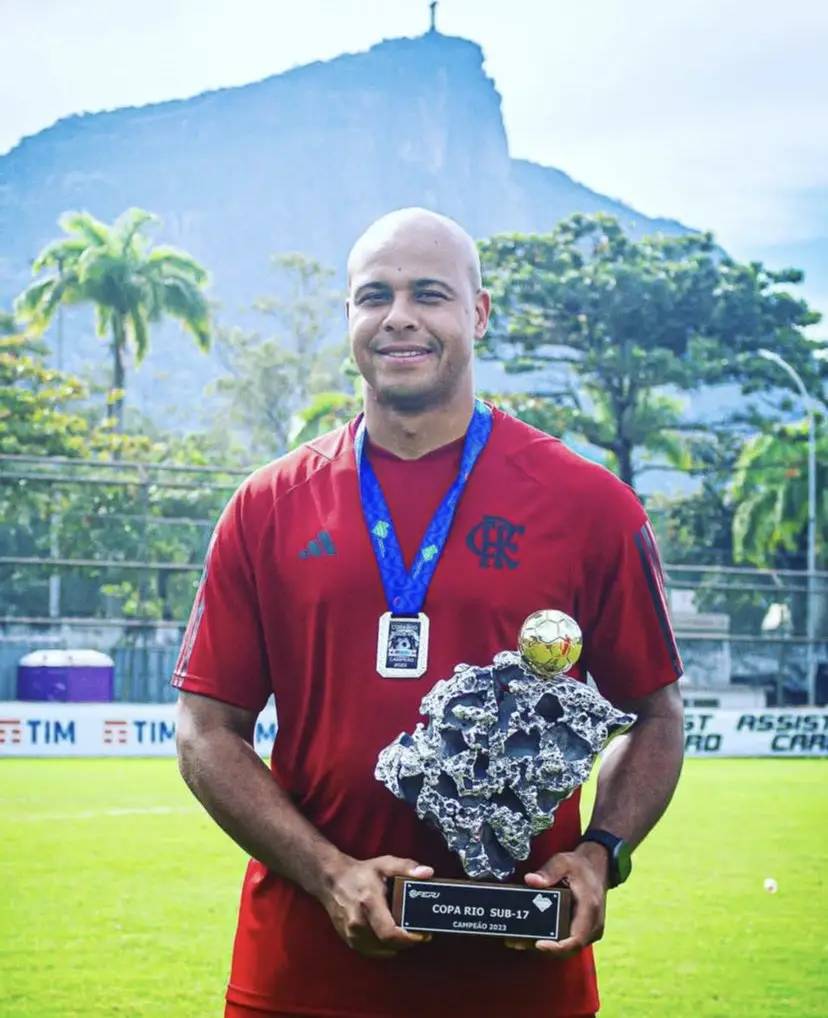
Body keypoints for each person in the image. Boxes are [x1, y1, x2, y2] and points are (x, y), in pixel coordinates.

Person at [172, 207, 685, 1018]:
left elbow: (655, 714)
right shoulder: (266, 506)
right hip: (300, 976)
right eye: (374, 295)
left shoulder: (592, 506)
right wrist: (328, 873)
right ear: (349, 317)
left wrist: (600, 855)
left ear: (478, 313)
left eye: (430, 293)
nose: (399, 315)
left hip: (518, 981)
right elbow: (206, 731)